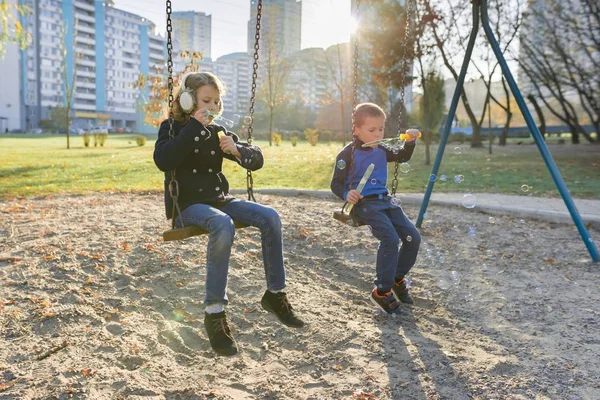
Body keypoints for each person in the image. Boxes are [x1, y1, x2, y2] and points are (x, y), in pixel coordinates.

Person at [154, 71, 304, 356]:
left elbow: (256, 160)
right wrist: (191, 129)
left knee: (270, 216)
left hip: (219, 200)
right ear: (187, 100)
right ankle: (214, 314)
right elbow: (164, 160)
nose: (211, 108)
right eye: (205, 101)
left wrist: (237, 150)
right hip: (187, 206)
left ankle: (275, 295)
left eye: (215, 102)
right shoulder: (172, 128)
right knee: (222, 225)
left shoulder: (216, 130)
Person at [330, 102, 421, 314]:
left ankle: (397, 279)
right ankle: (381, 290)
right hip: (364, 204)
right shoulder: (347, 154)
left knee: (412, 238)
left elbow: (402, 156)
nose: (378, 134)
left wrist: (410, 142)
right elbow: (336, 184)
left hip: (385, 200)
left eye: (381, 129)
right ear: (356, 130)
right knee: (389, 239)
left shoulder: (381, 149)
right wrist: (347, 194)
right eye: (372, 130)